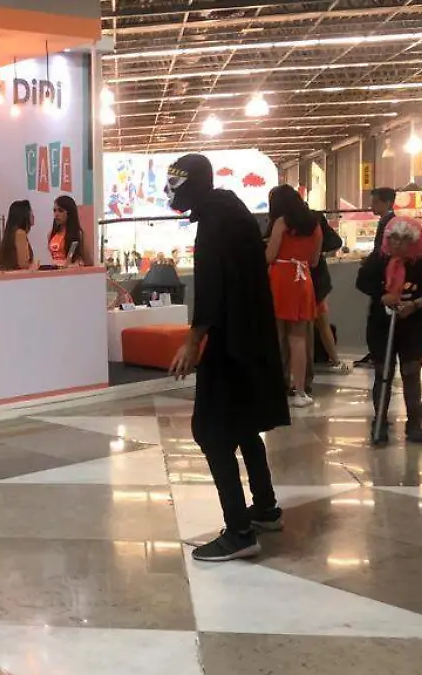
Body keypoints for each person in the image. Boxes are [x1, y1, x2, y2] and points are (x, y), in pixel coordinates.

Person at [167, 153, 289, 562]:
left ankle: (239, 531)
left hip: (231, 341)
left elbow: (212, 285)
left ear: (194, 183)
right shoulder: (229, 211)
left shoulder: (215, 222)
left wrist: (193, 340)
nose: (171, 191)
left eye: (176, 183)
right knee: (243, 424)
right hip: (248, 338)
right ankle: (265, 507)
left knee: (211, 431)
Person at [356, 217, 422, 445]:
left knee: (411, 372)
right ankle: (380, 421)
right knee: (383, 372)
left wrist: (416, 303)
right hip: (381, 325)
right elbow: (362, 281)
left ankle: (414, 423)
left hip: (413, 325)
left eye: (404, 239)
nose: (398, 244)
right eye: (393, 238)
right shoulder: (378, 259)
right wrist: (382, 295)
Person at [266, 185, 323, 408]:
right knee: (299, 339)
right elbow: (315, 261)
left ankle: (274, 386)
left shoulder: (281, 223)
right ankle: (300, 391)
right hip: (303, 279)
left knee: (275, 336)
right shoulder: (314, 224)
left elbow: (270, 255)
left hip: (280, 278)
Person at [355, 188, 398, 368]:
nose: (372, 206)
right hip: (381, 278)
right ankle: (378, 355)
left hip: (383, 280)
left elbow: (384, 251)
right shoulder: (386, 221)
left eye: (375, 202)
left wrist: (370, 265)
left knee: (378, 321)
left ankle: (380, 356)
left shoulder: (390, 223)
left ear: (387, 203)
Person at [311, 213, 351, 376]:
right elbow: (335, 242)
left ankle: (296, 368)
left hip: (297, 278)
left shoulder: (281, 220)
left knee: (297, 329)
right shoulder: (315, 218)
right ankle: (335, 360)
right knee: (322, 322)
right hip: (317, 277)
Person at [48, 195, 87, 267]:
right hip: (54, 270)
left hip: (70, 270)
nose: (56, 214)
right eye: (54, 210)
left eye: (60, 211)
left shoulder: (77, 234)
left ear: (69, 213)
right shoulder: (51, 234)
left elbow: (83, 258)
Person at [0, 200, 35, 271]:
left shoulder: (11, 233)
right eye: (31, 212)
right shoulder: (20, 234)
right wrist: (35, 266)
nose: (33, 216)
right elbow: (23, 264)